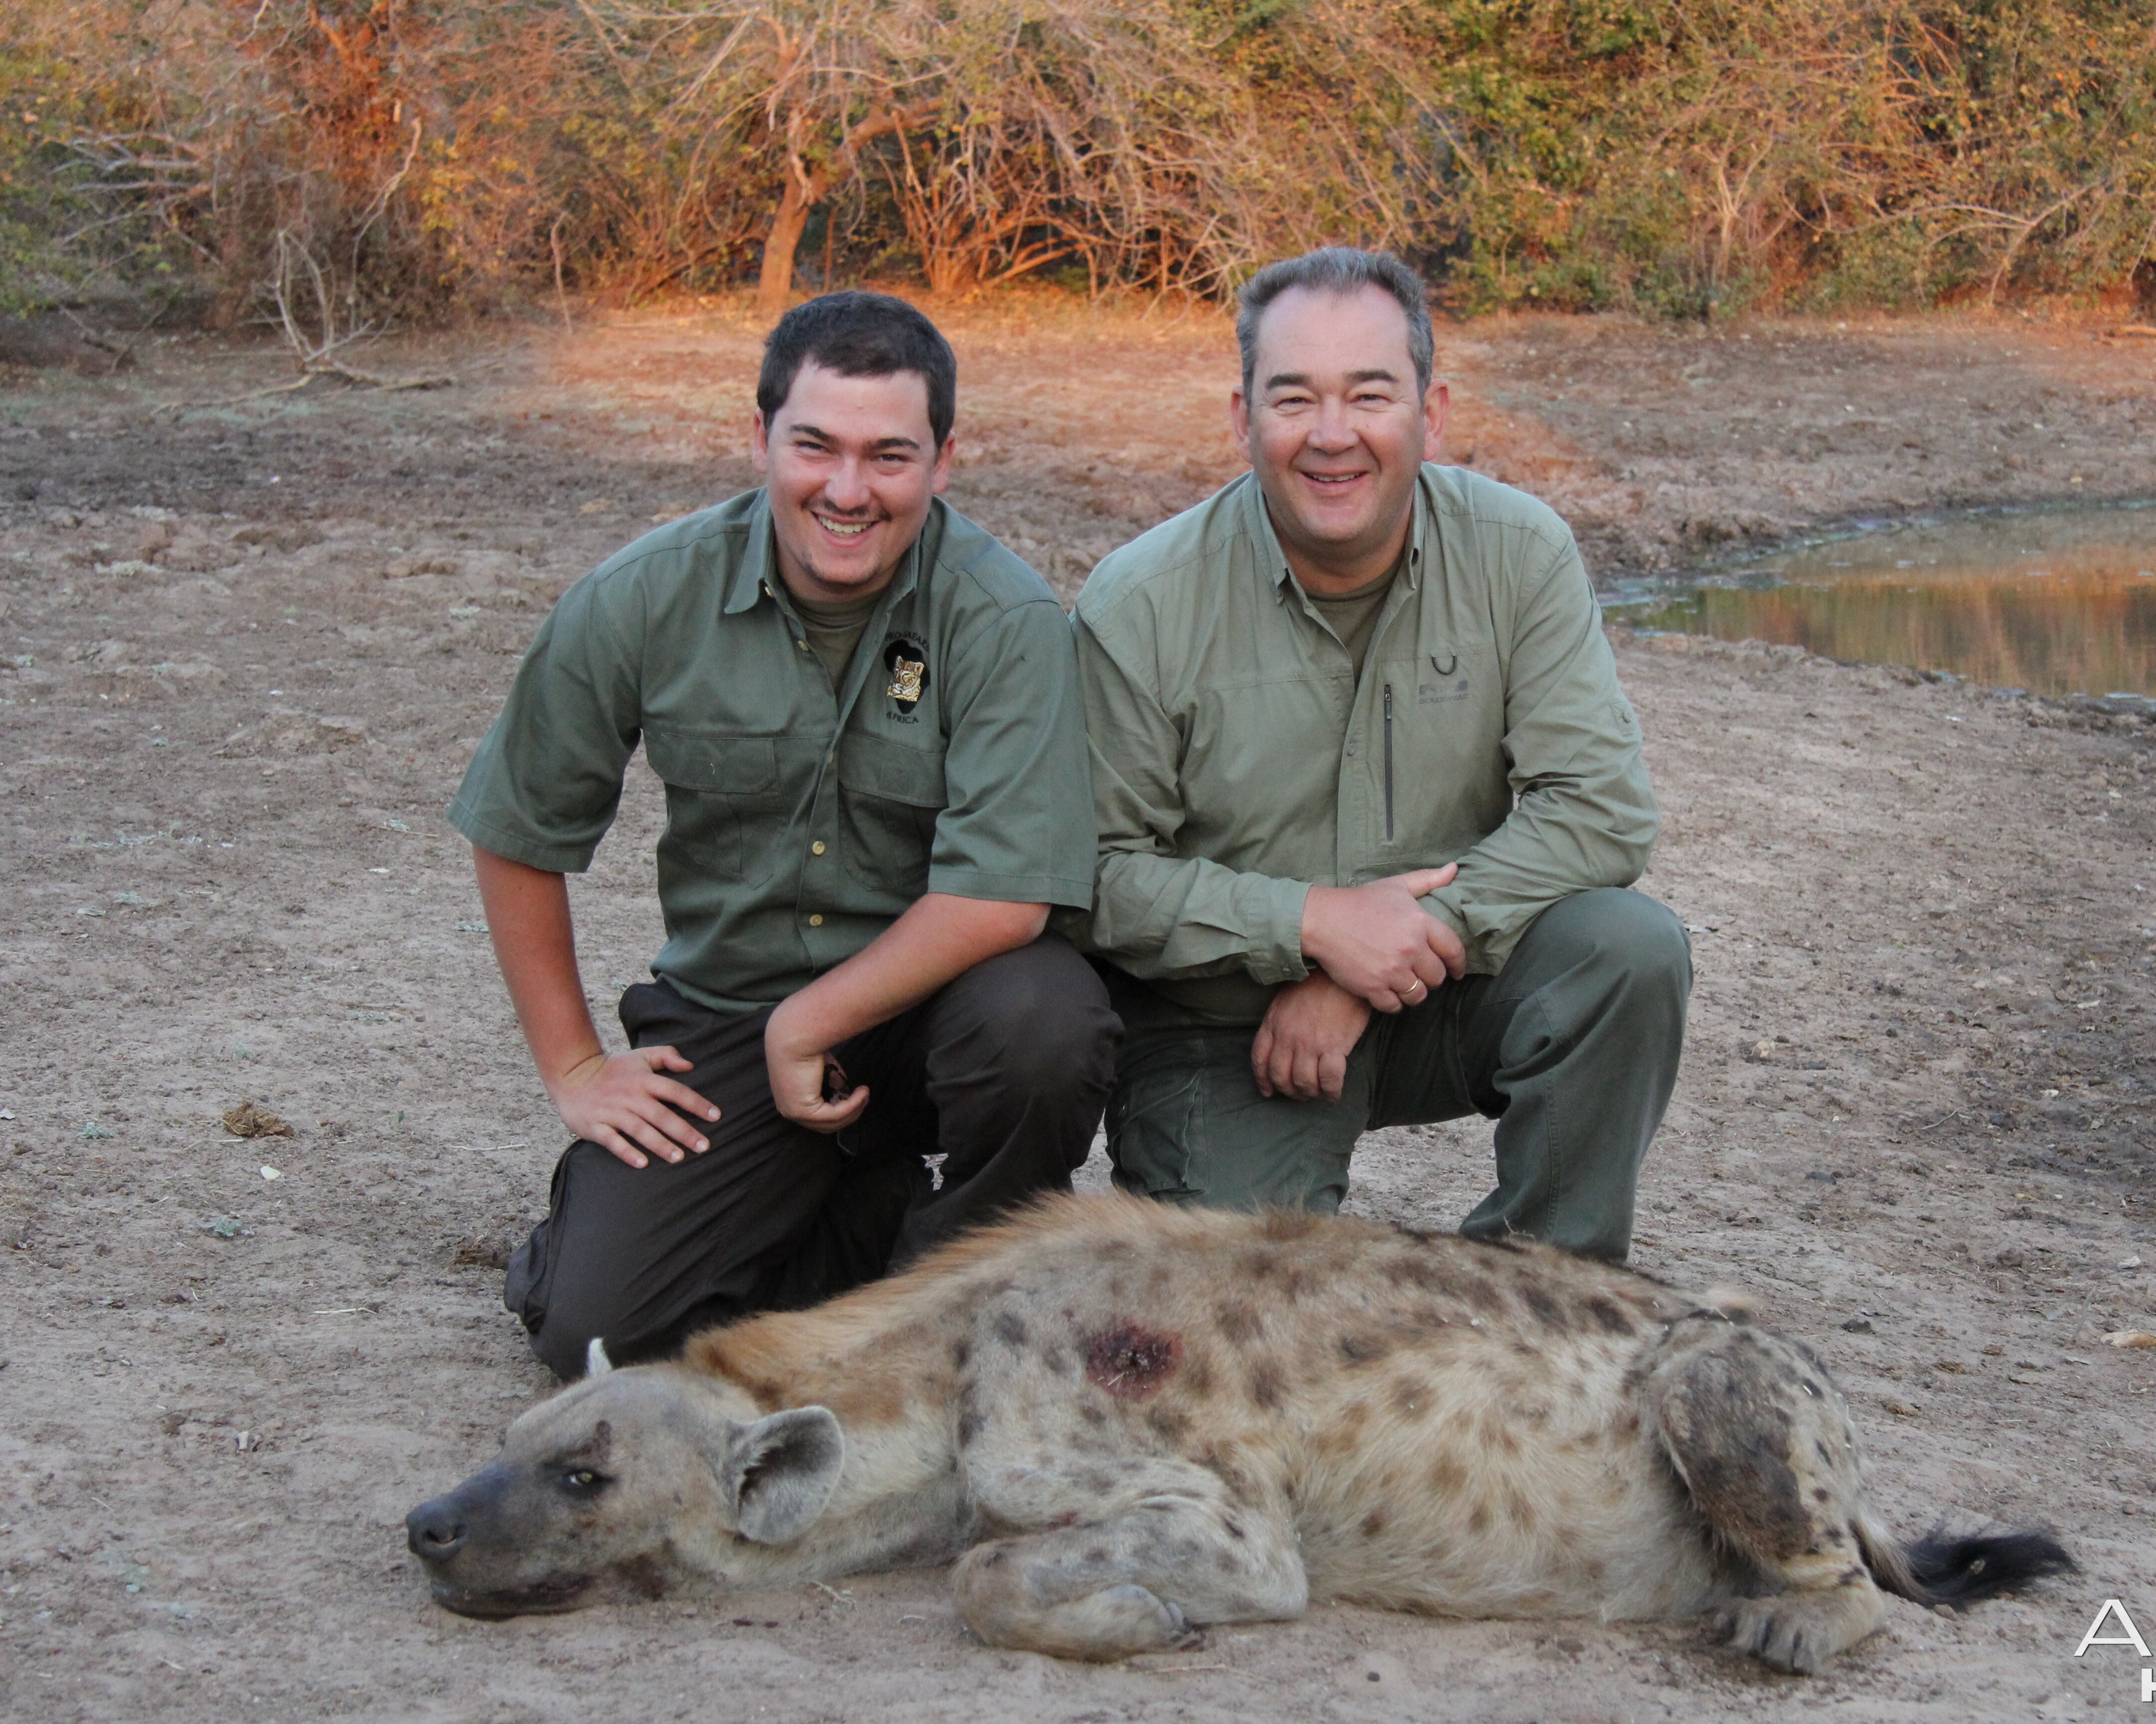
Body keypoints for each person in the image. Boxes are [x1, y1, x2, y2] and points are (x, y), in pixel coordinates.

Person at [449, 291, 1116, 1378]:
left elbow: (1006, 896)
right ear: (759, 438)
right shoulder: (642, 596)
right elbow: (518, 826)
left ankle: (971, 1301)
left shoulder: (1004, 619)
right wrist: (575, 1066)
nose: (847, 491)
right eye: (815, 447)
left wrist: (811, 1023)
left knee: (1047, 1018)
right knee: (600, 1340)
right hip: (729, 1011)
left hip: (934, 1017)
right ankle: (847, 1222)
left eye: (889, 457)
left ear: (944, 461)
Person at [1072, 247, 1690, 1262]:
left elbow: (1602, 808)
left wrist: (1371, 962)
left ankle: (1543, 1298)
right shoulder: (1140, 601)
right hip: (1227, 1027)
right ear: (1241, 420)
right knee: (1235, 1322)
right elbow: (1095, 876)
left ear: (1431, 412)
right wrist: (1311, 926)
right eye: (1293, 399)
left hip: (1453, 992)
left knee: (1628, 949)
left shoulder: (1520, 552)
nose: (1332, 436)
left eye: (1369, 394)